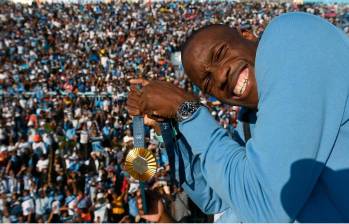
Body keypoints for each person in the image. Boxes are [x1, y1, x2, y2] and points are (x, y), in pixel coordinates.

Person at [127, 12, 349, 222]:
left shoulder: (289, 35)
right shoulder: (250, 121)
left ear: (247, 36)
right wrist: (169, 130)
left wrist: (187, 111)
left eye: (220, 53)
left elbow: (263, 208)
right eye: (208, 82)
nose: (221, 76)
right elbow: (215, 198)